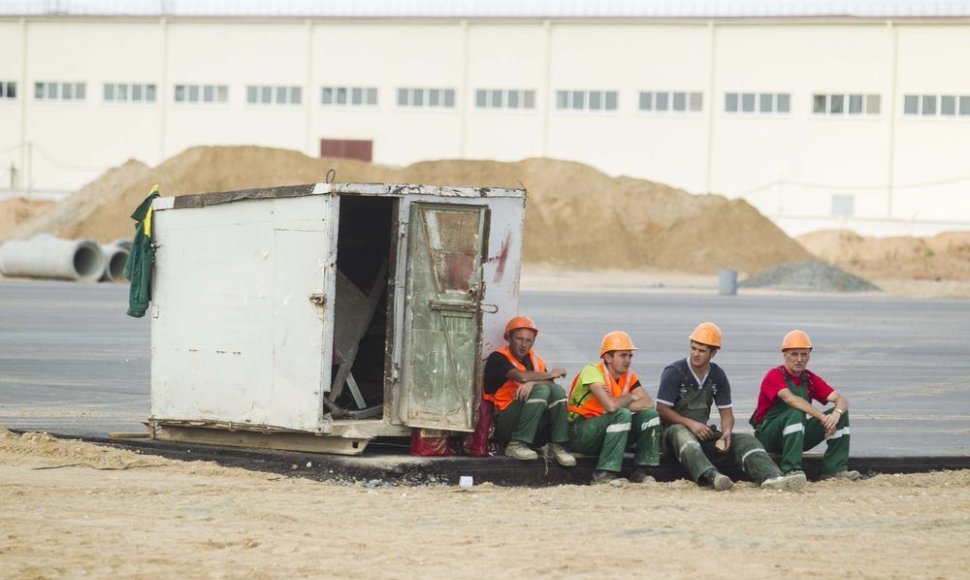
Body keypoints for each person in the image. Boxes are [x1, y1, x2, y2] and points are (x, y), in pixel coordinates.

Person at [656, 323, 806, 491]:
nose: (695, 354)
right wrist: (691, 424)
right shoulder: (674, 372)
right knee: (679, 432)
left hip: (701, 434)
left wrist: (726, 431)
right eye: (693, 348)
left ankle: (771, 476)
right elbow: (662, 409)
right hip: (673, 436)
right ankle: (712, 475)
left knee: (745, 439)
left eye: (701, 350)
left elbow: (726, 412)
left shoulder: (717, 375)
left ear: (713, 353)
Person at [750, 330, 860, 481]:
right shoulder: (774, 375)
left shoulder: (809, 378)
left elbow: (841, 399)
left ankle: (835, 469)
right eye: (794, 354)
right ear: (785, 355)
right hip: (769, 436)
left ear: (809, 355)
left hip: (795, 436)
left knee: (842, 414)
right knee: (796, 411)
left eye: (804, 354)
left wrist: (836, 415)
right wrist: (822, 417)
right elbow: (790, 399)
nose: (799, 359)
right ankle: (791, 469)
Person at [567, 331, 660, 484]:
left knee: (650, 416)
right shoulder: (592, 371)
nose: (628, 360)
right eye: (623, 355)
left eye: (630, 356)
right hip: (581, 431)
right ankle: (604, 474)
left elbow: (648, 403)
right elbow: (611, 406)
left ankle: (642, 472)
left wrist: (619, 402)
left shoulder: (629, 376)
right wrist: (629, 397)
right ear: (608, 357)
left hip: (607, 430)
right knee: (621, 414)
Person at [483, 316, 576, 466]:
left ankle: (559, 445)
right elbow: (521, 376)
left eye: (528, 341)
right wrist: (549, 374)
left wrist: (532, 382)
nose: (523, 345)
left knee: (556, 390)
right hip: (505, 422)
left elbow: (547, 383)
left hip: (531, 423)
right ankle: (517, 444)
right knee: (542, 391)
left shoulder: (536, 360)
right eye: (519, 339)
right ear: (508, 338)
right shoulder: (498, 358)